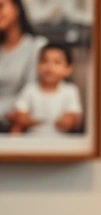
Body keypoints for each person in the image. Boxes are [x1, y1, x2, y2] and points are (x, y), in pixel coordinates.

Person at [10, 42, 82, 135]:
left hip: (61, 142)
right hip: (31, 141)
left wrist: (68, 121)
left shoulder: (70, 90)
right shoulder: (30, 89)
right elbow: (19, 112)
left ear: (68, 69)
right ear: (37, 66)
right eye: (45, 61)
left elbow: (74, 116)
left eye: (57, 62)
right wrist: (23, 119)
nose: (49, 67)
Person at [0, 0, 47, 132]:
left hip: (19, 123)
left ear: (17, 8)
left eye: (1, 6)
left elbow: (30, 94)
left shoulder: (36, 46)